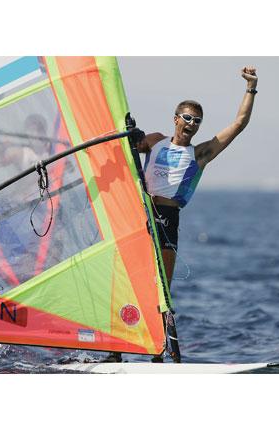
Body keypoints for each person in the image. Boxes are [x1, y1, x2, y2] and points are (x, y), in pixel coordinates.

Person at [105, 66, 258, 363]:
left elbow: (239, 124)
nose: (191, 124)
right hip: (139, 215)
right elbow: (130, 144)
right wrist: (132, 134)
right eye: (186, 118)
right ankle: (114, 351)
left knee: (161, 289)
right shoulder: (157, 140)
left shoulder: (199, 154)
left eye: (197, 121)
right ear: (176, 118)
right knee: (126, 282)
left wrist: (250, 88)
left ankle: (160, 354)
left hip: (166, 220)